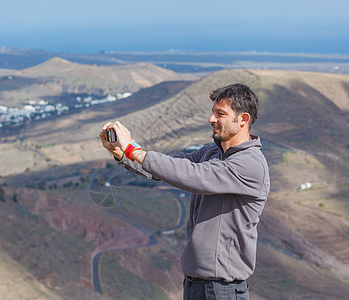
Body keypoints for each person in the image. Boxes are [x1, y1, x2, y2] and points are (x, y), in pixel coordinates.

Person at [100, 83, 270, 300]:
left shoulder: (250, 164)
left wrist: (134, 150)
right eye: (212, 112)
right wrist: (122, 153)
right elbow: (169, 168)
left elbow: (193, 175)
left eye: (221, 114)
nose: (212, 119)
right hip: (196, 285)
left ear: (243, 119)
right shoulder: (211, 153)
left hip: (222, 290)